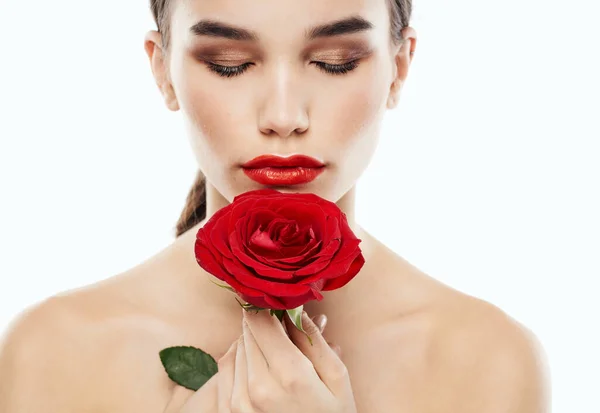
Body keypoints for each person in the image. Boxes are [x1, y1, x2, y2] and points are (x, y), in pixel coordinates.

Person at [0, 0, 550, 411]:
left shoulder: (487, 360)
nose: (284, 115)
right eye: (230, 63)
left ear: (399, 67)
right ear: (163, 70)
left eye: (336, 62)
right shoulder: (54, 352)